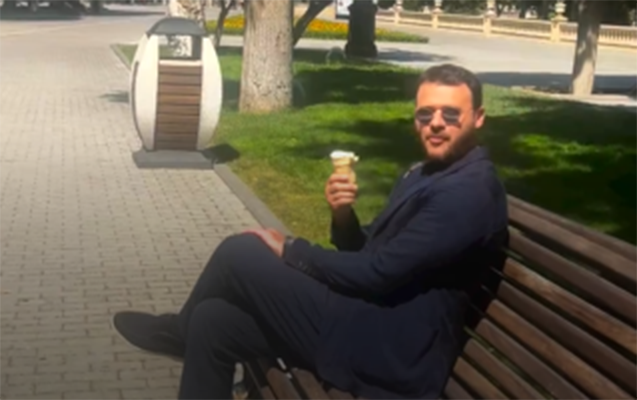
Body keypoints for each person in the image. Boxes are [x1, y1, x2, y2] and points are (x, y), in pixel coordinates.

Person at [113, 64, 508, 400]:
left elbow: (377, 272)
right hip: (363, 317)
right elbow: (369, 253)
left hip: (389, 351)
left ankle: (177, 333)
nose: (436, 123)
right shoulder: (429, 173)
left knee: (241, 253)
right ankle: (186, 331)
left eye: (451, 114)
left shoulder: (468, 195)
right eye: (425, 114)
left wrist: (293, 250)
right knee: (213, 322)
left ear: (478, 117)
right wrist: (343, 216)